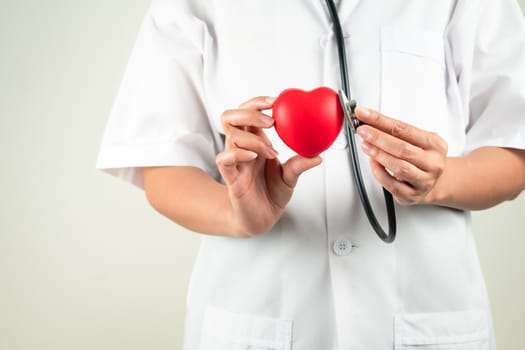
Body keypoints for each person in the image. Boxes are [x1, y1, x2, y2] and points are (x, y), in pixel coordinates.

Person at [96, 0, 525, 348]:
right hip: (257, 319)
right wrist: (236, 214)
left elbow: (514, 146)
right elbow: (163, 163)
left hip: (423, 318)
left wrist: (441, 179)